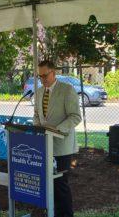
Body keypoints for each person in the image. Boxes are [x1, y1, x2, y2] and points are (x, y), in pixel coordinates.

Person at [33, 60, 82, 217]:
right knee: (48, 183)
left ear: (54, 72)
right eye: (39, 76)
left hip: (62, 146)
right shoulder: (39, 92)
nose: (42, 79)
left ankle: (66, 214)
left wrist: (57, 129)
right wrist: (38, 126)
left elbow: (75, 116)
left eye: (45, 75)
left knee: (60, 184)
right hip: (44, 145)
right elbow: (36, 115)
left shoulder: (67, 90)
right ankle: (51, 212)